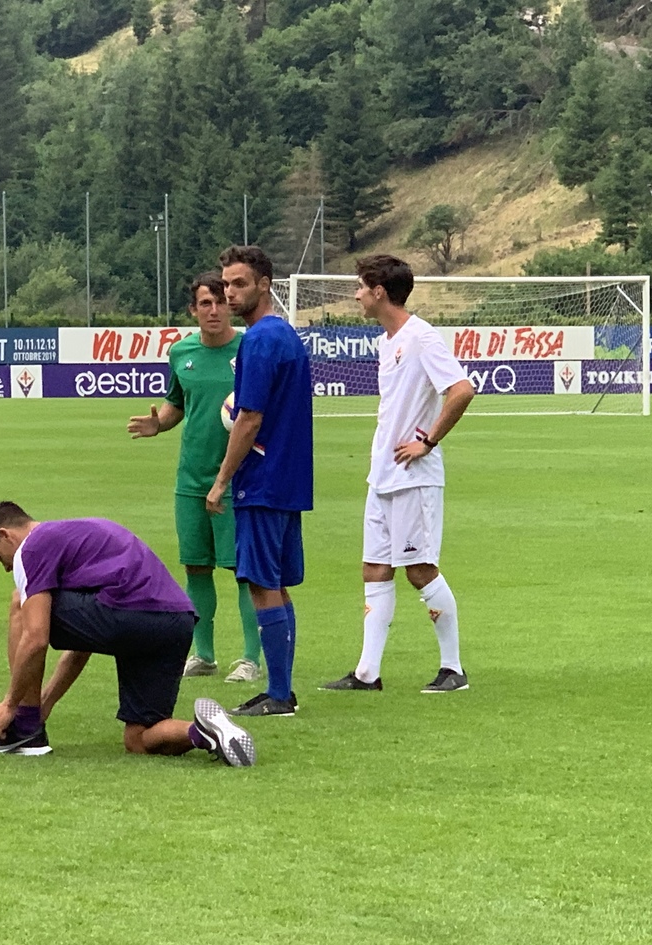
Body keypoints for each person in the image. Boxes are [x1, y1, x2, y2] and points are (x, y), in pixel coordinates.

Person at [0, 502, 257, 767]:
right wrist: (47, 702)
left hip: (134, 613)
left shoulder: (32, 549)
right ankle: (208, 732)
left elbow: (36, 638)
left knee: (21, 604)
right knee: (138, 739)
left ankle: (25, 732)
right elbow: (82, 645)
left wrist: (11, 705)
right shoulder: (77, 537)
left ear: (5, 535)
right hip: (176, 622)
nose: (7, 567)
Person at [321, 254, 476, 693]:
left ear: (379, 292)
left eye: (360, 287)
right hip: (383, 476)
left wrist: (428, 440)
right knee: (374, 568)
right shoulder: (387, 342)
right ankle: (367, 673)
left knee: (419, 570)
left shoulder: (421, 336)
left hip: (414, 475)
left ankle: (453, 669)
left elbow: (462, 390)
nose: (356, 295)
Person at [128, 272, 262, 683]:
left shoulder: (250, 349)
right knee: (196, 566)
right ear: (193, 310)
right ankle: (203, 654)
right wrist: (159, 424)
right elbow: (176, 403)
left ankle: (250, 659)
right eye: (206, 303)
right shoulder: (181, 352)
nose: (215, 310)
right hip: (191, 479)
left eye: (221, 302)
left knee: (243, 571)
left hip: (239, 480)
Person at [206, 245, 314, 718]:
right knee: (276, 585)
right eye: (226, 284)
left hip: (263, 480)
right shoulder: (285, 334)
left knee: (261, 583)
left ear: (264, 285)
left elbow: (249, 418)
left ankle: (279, 693)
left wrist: (221, 481)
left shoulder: (259, 340)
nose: (229, 293)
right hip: (289, 479)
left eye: (239, 284)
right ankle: (280, 688)